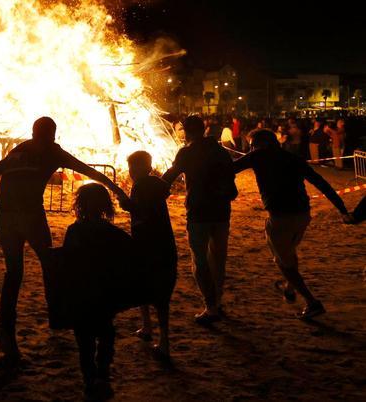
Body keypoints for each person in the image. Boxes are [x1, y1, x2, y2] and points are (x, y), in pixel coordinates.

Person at [0, 116, 129, 361]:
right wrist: (119, 191)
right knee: (50, 264)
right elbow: (88, 170)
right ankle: (56, 317)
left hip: (5, 216)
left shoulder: (20, 149)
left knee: (14, 273)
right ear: (53, 134)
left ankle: (6, 329)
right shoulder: (52, 151)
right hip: (29, 217)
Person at [234, 129, 352, 319]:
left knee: (282, 262)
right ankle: (289, 286)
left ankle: (311, 302)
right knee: (289, 251)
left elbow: (229, 169)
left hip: (280, 218)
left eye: (251, 145)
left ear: (256, 144)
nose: (250, 148)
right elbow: (320, 182)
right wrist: (342, 209)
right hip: (303, 215)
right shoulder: (291, 157)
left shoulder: (257, 156)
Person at [162, 115, 237, 325]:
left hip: (199, 211)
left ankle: (210, 306)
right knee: (218, 258)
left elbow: (170, 175)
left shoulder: (187, 152)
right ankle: (217, 302)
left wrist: (151, 187)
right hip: (222, 211)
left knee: (200, 261)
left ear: (186, 131)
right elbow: (231, 178)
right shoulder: (220, 150)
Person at [63, 183, 132, 400]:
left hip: (82, 292)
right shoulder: (114, 233)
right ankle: (102, 373)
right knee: (106, 332)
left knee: (84, 338)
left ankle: (89, 377)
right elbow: (130, 255)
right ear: (105, 206)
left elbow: (66, 262)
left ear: (79, 205)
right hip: (105, 292)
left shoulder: (74, 231)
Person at [123, 151, 177, 358]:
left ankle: (160, 338)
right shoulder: (156, 183)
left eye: (132, 168)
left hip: (148, 244)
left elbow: (144, 213)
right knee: (153, 290)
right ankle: (149, 329)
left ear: (142, 168)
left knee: (148, 288)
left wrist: (128, 206)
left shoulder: (142, 185)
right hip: (163, 244)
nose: (130, 172)